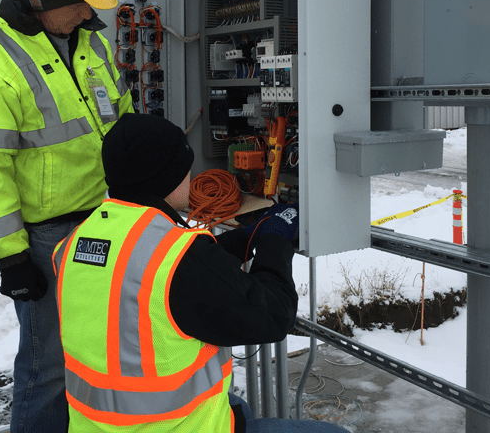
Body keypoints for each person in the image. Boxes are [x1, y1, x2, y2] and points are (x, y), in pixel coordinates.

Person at [0, 0, 133, 433]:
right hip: (45, 240)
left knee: (98, 354)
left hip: (105, 221)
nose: (90, 10)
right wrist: (11, 257)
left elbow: (120, 123)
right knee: (47, 367)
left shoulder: (90, 44)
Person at [52, 113, 345, 432]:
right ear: (169, 177)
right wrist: (275, 238)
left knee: (238, 404)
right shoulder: (179, 259)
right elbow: (274, 315)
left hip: (98, 425)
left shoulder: (72, 244)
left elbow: (159, 273)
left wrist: (248, 236)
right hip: (177, 426)